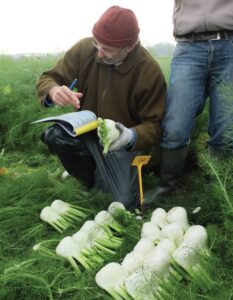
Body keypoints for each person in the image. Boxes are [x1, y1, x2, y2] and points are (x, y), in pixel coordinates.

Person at [36, 6, 166, 209]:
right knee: (55, 136)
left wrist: (129, 135)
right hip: (86, 134)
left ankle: (104, 179)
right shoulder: (85, 49)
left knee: (124, 202)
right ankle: (90, 181)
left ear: (129, 47)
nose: (99, 53)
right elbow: (49, 78)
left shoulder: (149, 71)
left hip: (120, 146)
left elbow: (155, 126)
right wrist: (53, 91)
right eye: (97, 44)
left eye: (108, 50)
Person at [143, 0, 233, 208]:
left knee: (226, 129)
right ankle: (167, 187)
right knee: (176, 125)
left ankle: (214, 189)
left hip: (229, 44)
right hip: (189, 47)